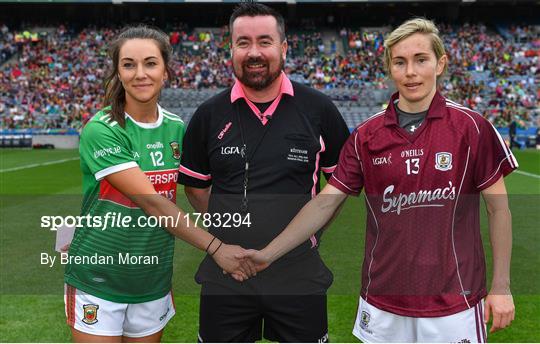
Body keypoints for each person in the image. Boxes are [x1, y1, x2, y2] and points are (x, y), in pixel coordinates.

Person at [239, 18, 517, 342]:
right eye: (400, 62)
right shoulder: (366, 136)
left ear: (440, 63)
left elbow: (499, 210)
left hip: (454, 302)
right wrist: (269, 253)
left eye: (421, 60)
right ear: (389, 67)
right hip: (383, 302)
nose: (410, 72)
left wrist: (501, 287)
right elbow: (325, 202)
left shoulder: (472, 128)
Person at [64, 25, 252, 342]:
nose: (140, 74)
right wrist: (218, 247)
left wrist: (244, 232)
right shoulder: (102, 129)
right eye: (129, 64)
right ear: (117, 73)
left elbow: (202, 187)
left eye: (150, 63)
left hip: (152, 278)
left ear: (166, 71)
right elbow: (151, 201)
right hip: (99, 276)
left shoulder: (177, 128)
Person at [177, 3, 349, 342]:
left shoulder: (319, 109)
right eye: (243, 42)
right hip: (226, 273)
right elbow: (196, 189)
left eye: (265, 41)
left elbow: (337, 188)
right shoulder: (209, 114)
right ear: (231, 50)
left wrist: (307, 235)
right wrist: (226, 241)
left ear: (283, 48)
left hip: (298, 272)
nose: (254, 52)